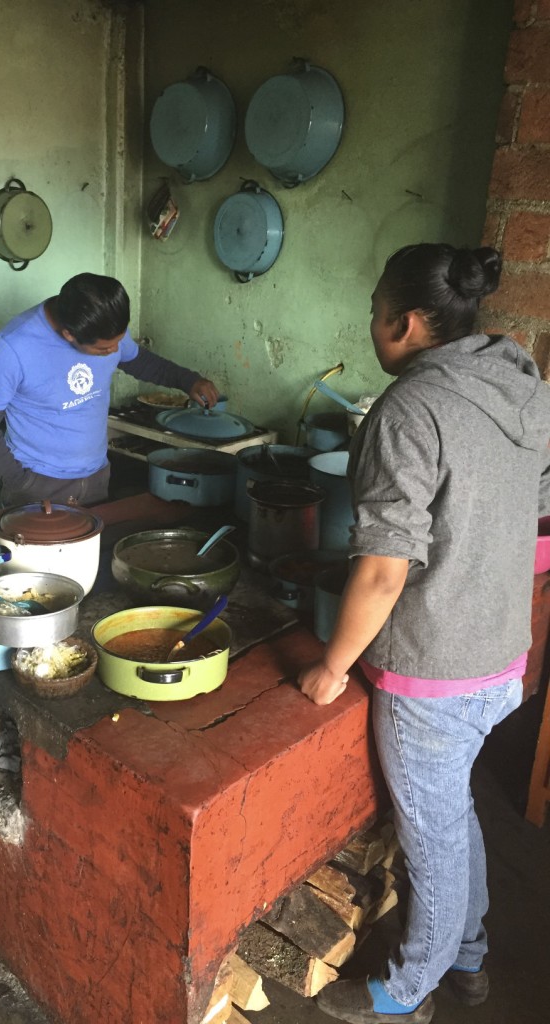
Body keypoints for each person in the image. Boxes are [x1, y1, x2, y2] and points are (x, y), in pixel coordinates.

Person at [298, 243, 550, 1024]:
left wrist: (332, 667)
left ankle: (407, 993)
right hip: (502, 655)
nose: (372, 328)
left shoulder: (408, 410)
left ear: (404, 323)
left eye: (376, 315)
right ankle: (469, 958)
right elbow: (538, 516)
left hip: (433, 676)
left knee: (432, 842)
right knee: (455, 813)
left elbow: (381, 571)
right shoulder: (522, 383)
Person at [0, 273, 220, 507]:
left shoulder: (104, 322)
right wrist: (19, 480)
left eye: (118, 342)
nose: (113, 351)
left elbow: (137, 360)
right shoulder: (12, 349)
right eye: (103, 349)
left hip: (96, 478)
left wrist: (188, 380)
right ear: (69, 335)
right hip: (38, 487)